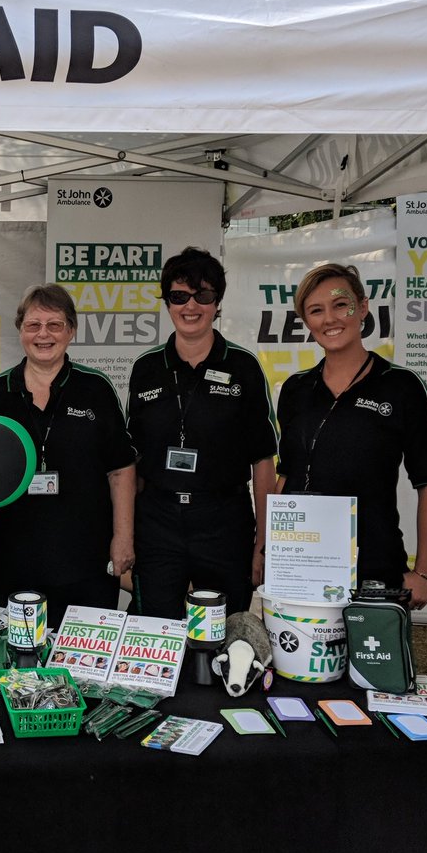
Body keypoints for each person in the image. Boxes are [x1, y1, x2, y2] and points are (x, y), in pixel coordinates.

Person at [276, 262, 427, 610]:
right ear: (306, 322)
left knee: (371, 665)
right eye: (316, 310)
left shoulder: (402, 387)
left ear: (363, 307)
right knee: (295, 666)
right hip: (299, 569)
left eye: (341, 305)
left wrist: (425, 573)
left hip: (376, 568)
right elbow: (285, 477)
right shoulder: (295, 389)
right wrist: (270, 550)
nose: (330, 319)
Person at [127, 246, 278, 619]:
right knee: (156, 627)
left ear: (217, 302)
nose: (190, 306)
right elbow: (131, 460)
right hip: (158, 520)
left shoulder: (243, 367)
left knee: (226, 632)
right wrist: (126, 535)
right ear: (167, 303)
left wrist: (264, 542)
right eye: (179, 296)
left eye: (203, 295)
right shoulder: (146, 368)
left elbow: (263, 459)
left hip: (223, 520)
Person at [0, 284, 136, 626]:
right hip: (15, 557)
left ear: (71, 331)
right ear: (20, 330)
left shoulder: (96, 388)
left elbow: (121, 470)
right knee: (21, 660)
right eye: (33, 325)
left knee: (86, 660)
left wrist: (123, 538)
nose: (43, 335)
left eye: (55, 325)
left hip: (87, 558)